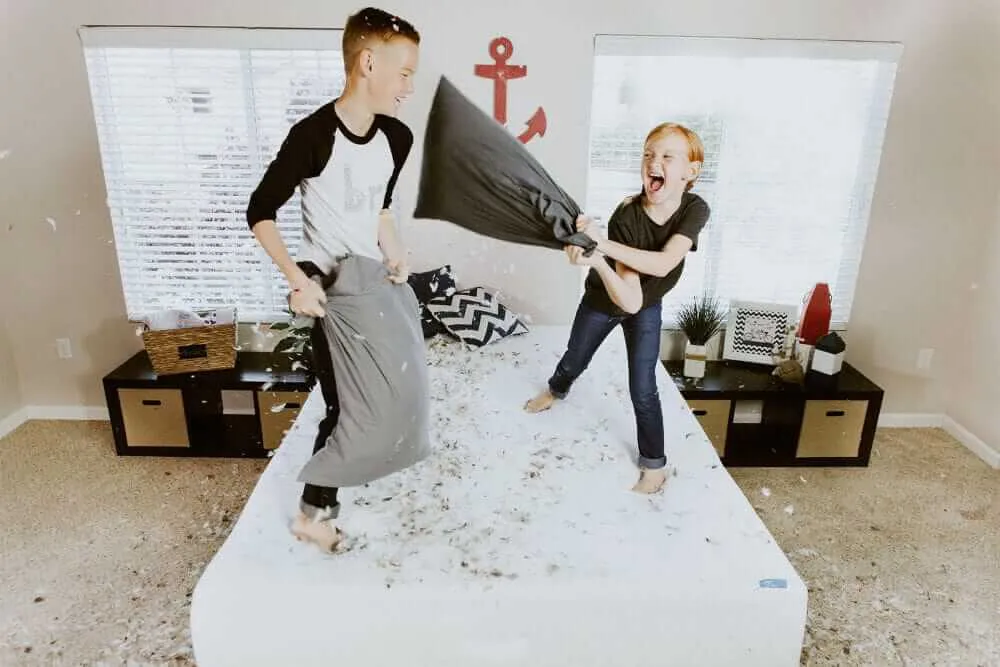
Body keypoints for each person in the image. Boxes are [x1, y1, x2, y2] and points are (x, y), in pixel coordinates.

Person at [245, 7, 421, 552]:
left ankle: (342, 482)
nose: (409, 87)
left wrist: (395, 254)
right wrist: (297, 280)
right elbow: (260, 211)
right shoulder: (313, 136)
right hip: (331, 291)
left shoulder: (397, 137)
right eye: (404, 73)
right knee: (346, 407)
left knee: (399, 390)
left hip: (376, 283)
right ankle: (314, 515)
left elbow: (379, 209)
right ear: (368, 63)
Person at [524, 122, 710, 494]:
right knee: (575, 358)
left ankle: (654, 465)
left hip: (647, 304)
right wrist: (596, 259)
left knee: (643, 387)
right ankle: (556, 389)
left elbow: (662, 266)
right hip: (605, 298)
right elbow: (627, 297)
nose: (654, 162)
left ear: (691, 171)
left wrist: (601, 245)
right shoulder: (626, 215)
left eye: (667, 156)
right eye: (648, 154)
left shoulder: (695, 209)